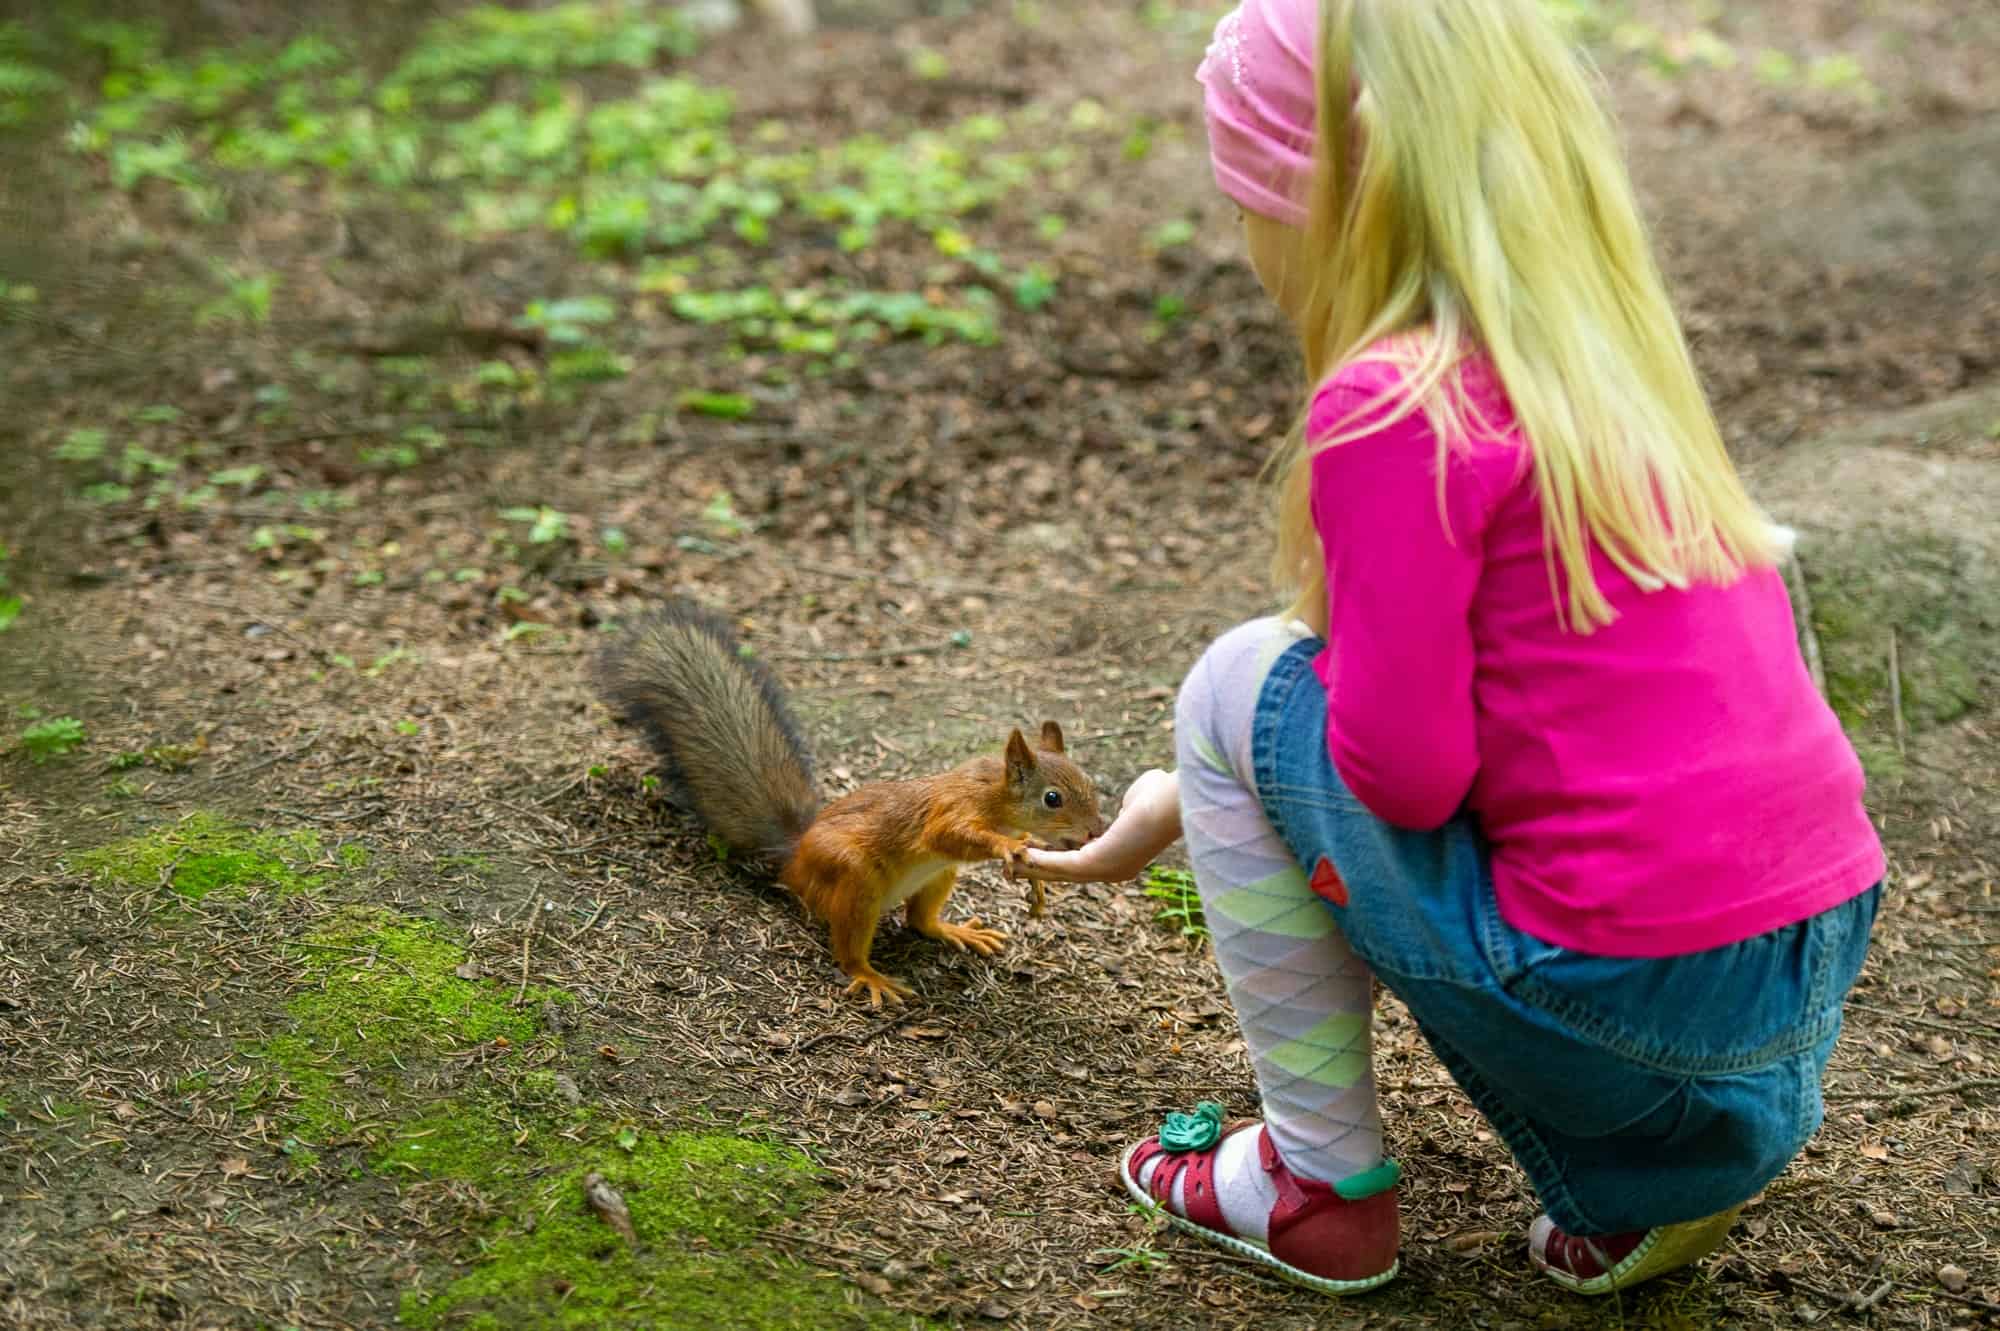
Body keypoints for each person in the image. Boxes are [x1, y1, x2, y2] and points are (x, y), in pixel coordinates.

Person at [1018, 0, 1883, 1298]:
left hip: (1624, 1013)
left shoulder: (1392, 403)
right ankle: (1662, 1180)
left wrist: (1224, 784)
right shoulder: (1606, 363)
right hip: (1793, 986)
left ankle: (1314, 1184)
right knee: (1286, 699)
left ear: (1315, 212)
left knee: (1233, 688)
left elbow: (1406, 779)